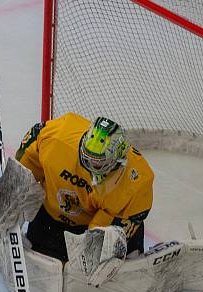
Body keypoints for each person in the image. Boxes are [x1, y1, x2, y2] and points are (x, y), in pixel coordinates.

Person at [15, 112, 154, 262]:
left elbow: (118, 221)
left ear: (116, 159)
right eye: (87, 158)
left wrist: (97, 249)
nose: (90, 166)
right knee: (44, 259)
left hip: (95, 226)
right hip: (51, 218)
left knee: (109, 257)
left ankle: (131, 258)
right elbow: (22, 169)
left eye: (98, 163)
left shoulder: (136, 177)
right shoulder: (57, 137)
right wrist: (9, 211)